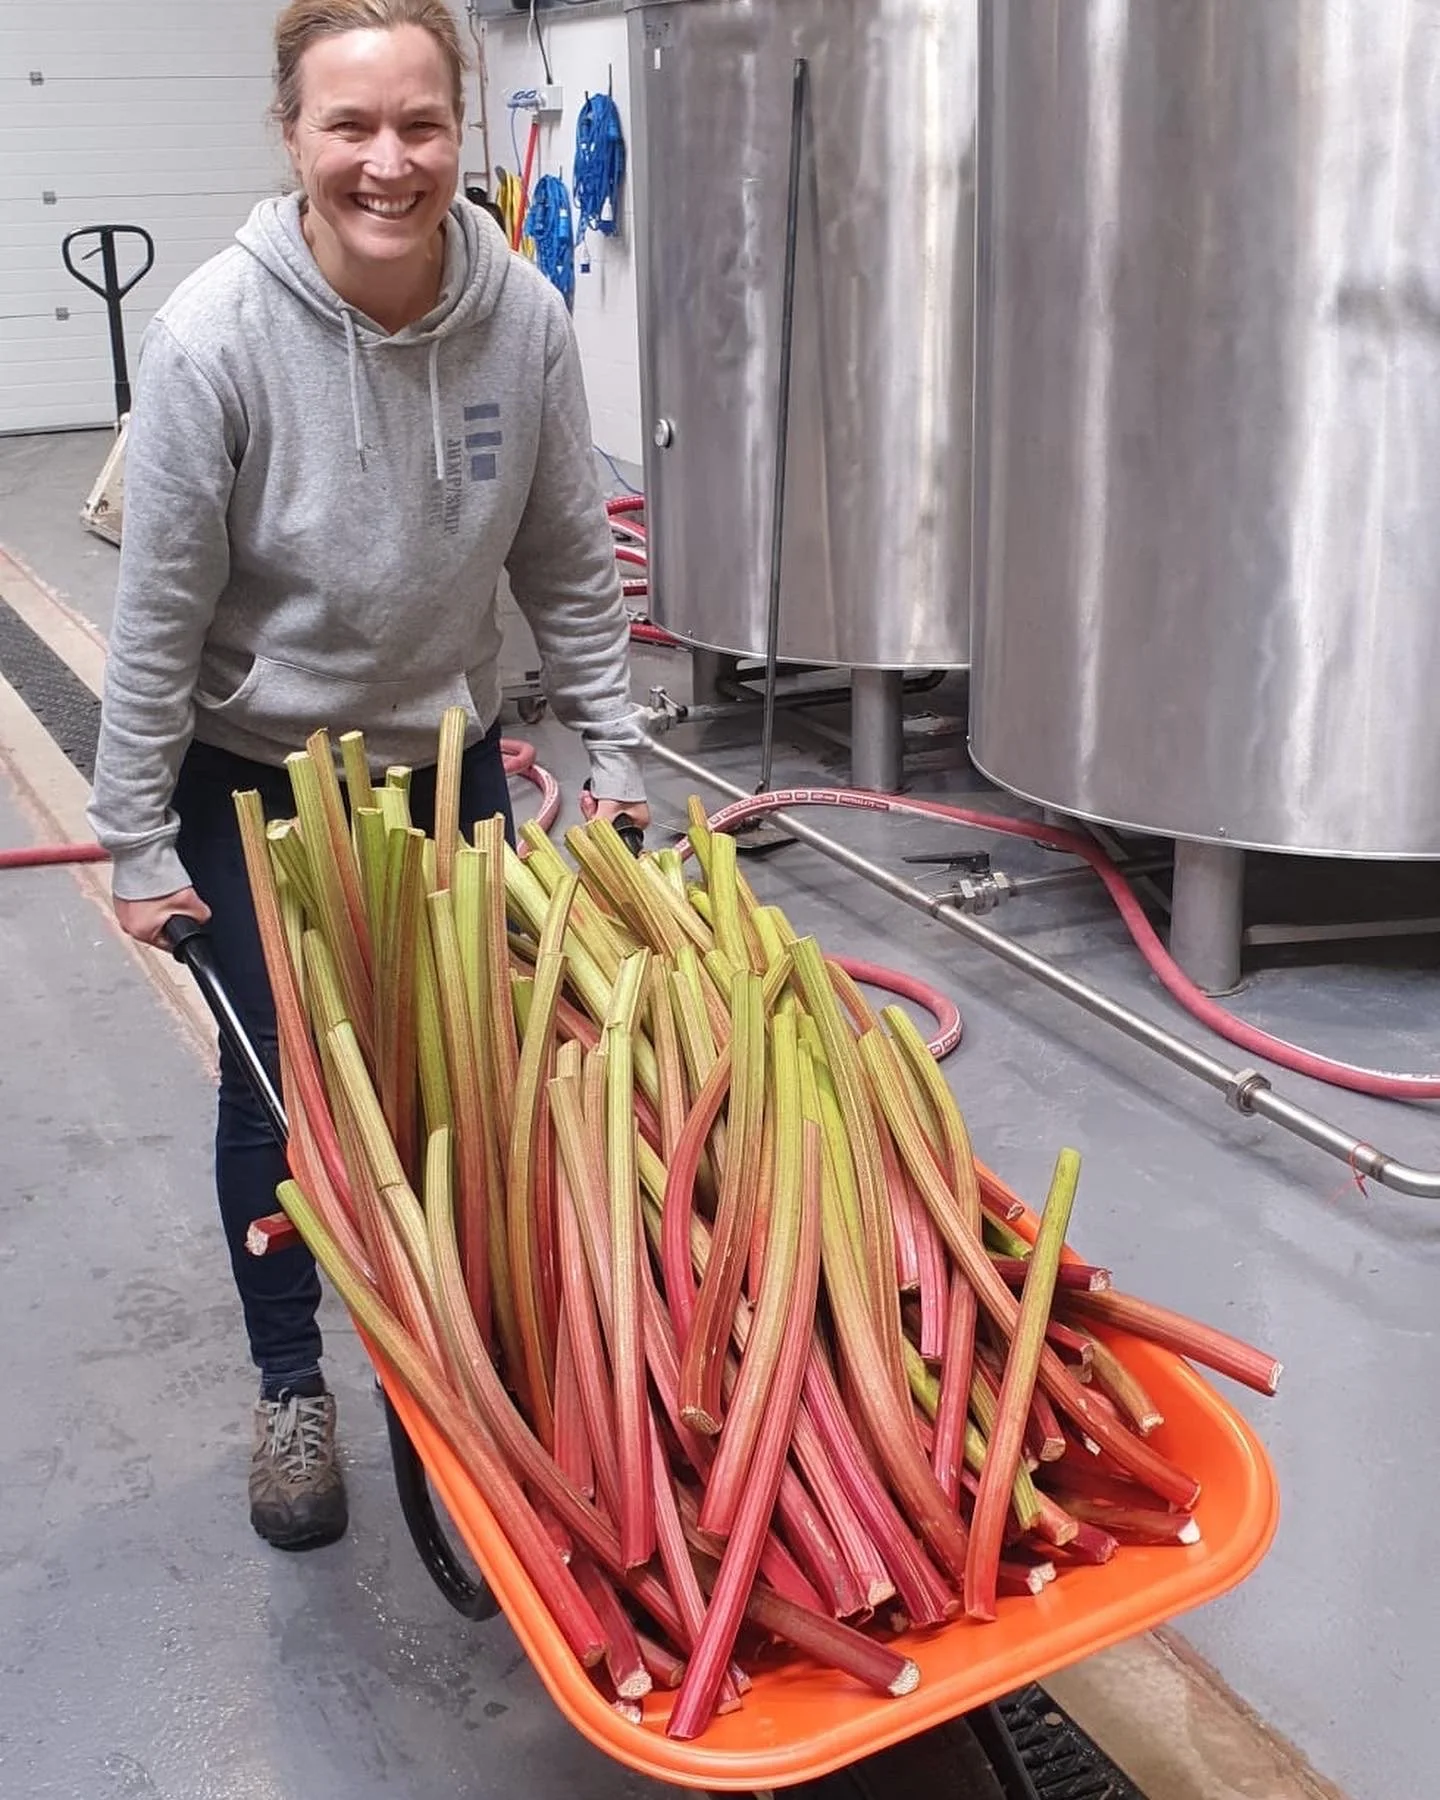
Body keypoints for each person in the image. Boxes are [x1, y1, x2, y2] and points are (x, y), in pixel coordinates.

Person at [87, 0, 649, 1552]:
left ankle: (447, 1376)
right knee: (286, 1098)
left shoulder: (523, 316)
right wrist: (133, 836)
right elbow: (160, 615)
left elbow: (564, 563)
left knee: (461, 1081)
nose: (388, 162)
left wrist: (612, 742)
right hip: (259, 774)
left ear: (461, 131)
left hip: (447, 764)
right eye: (351, 126)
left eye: (420, 123)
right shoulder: (215, 336)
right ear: (292, 136)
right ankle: (293, 1381)